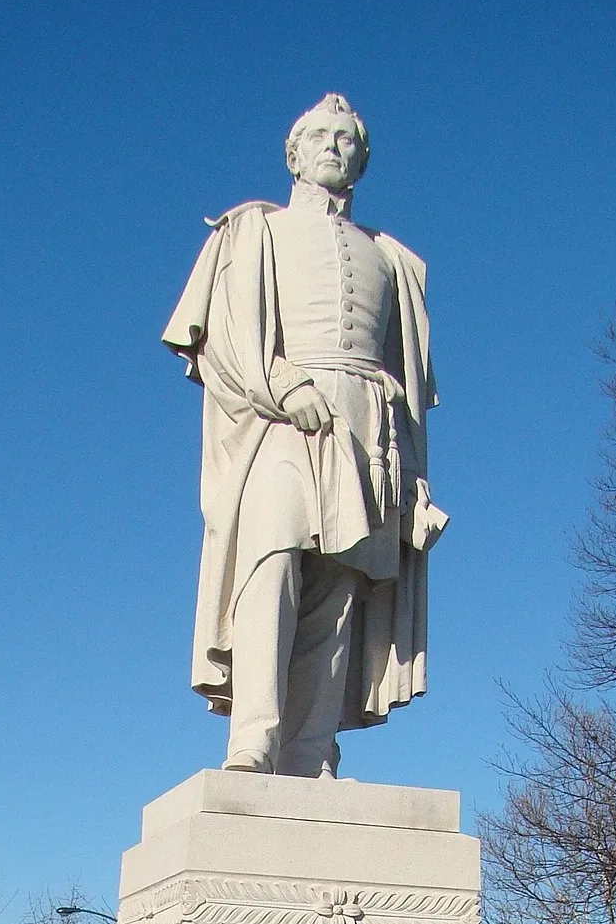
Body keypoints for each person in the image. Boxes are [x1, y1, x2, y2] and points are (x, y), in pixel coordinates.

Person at [163, 94, 448, 777]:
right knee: (270, 561)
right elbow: (224, 338)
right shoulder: (252, 232)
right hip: (279, 419)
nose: (333, 146)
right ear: (293, 153)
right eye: (318, 135)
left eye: (346, 138)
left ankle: (310, 747)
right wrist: (283, 386)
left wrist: (412, 481)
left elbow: (405, 386)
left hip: (368, 428)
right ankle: (254, 738)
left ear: (364, 157)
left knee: (342, 588)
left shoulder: (393, 261)